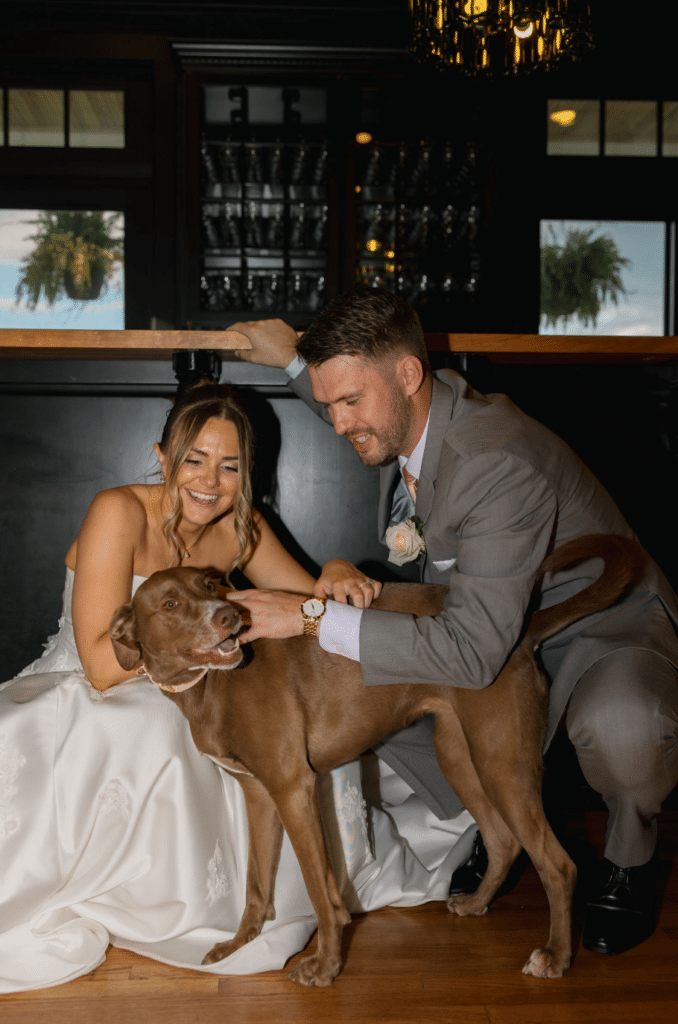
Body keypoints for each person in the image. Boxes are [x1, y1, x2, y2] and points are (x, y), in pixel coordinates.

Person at [227, 286, 678, 957]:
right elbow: (359, 405)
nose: (341, 421)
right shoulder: (410, 408)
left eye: (349, 403)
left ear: (408, 375)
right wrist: (295, 360)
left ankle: (629, 860)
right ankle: (500, 827)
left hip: (595, 625)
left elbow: (470, 654)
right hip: (490, 620)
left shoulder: (493, 459)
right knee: (356, 700)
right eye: (331, 404)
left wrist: (310, 616)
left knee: (623, 729)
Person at [0, 380, 476, 994]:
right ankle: (159, 902)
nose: (209, 480)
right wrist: (203, 651)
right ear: (163, 456)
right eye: (194, 460)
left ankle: (262, 905)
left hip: (192, 680)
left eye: (229, 466)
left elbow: (305, 601)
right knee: (151, 728)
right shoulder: (117, 510)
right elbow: (100, 664)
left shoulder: (239, 525)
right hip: (94, 681)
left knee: (255, 721)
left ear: (246, 473)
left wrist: (330, 572)